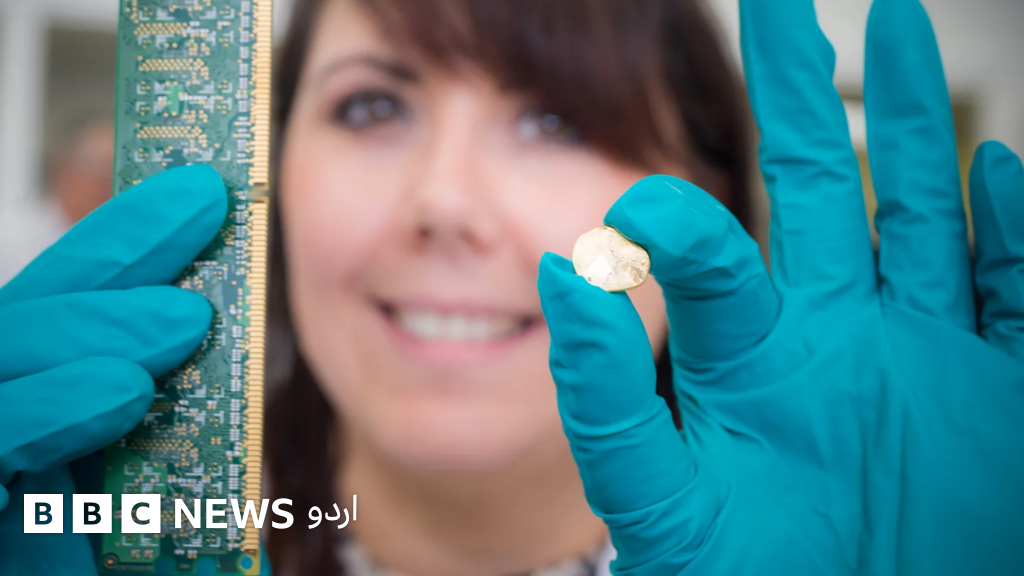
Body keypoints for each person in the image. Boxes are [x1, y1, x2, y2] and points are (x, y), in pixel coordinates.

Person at [1, 1, 1023, 576]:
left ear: (713, 198)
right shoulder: (103, 537)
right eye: (370, 108)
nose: (445, 201)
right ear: (275, 175)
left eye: (554, 121)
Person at [0, 113, 115, 285]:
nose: (110, 186)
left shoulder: (120, 241)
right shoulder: (9, 237)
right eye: (103, 171)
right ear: (65, 169)